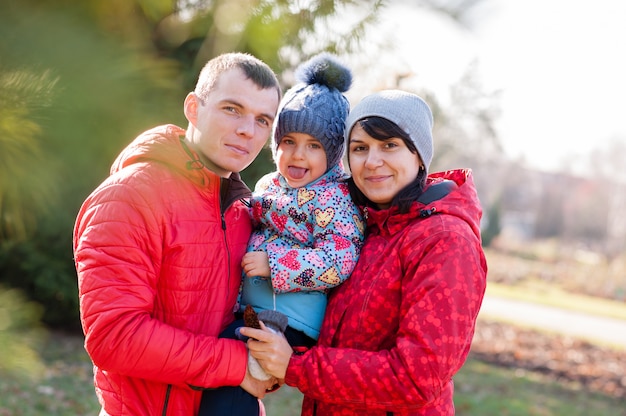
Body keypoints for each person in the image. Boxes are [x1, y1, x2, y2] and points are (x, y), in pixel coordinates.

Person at [241, 89, 488, 415]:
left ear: (419, 155)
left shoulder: (444, 241)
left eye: (389, 145)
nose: (372, 162)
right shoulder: (364, 224)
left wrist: (296, 364)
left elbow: (418, 377)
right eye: (360, 148)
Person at [72, 52, 282, 416]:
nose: (248, 130)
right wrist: (237, 365)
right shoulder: (130, 196)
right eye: (232, 109)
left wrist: (272, 360)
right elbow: (114, 337)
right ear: (193, 108)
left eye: (262, 120)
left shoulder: (244, 212)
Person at [199, 53, 365, 415]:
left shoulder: (335, 197)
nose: (297, 155)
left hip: (291, 319)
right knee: (224, 372)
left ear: (334, 152)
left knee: (231, 369)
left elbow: (339, 259)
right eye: (288, 141)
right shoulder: (268, 184)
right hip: (253, 310)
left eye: (314, 146)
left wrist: (275, 264)